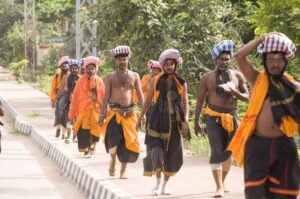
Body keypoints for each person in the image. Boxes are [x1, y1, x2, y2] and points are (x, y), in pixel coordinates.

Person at [228, 33, 300, 199]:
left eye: (279, 60)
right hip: (258, 144)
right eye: (271, 60)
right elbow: (239, 56)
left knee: (284, 193)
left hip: (284, 145)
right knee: (255, 193)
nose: (275, 64)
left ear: (286, 62)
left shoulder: (292, 86)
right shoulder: (256, 79)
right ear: (264, 62)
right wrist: (261, 39)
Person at [194, 40, 249, 198]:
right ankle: (218, 187)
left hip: (232, 118)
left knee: (228, 152)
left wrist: (235, 93)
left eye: (227, 59)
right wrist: (196, 121)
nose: (224, 62)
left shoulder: (237, 76)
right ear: (215, 60)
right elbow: (200, 100)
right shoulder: (207, 78)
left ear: (230, 59)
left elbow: (247, 97)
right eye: (221, 59)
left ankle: (222, 182)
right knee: (216, 150)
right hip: (213, 118)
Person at [137, 49, 189, 196]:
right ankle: (158, 183)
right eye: (166, 64)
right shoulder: (156, 80)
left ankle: (165, 184)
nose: (169, 66)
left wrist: (185, 121)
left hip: (174, 123)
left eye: (171, 63)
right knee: (156, 152)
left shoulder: (181, 82)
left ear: (175, 64)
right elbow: (147, 100)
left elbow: (185, 103)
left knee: (173, 156)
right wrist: (141, 116)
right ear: (163, 65)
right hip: (157, 121)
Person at [99, 45, 144, 179]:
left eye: (124, 59)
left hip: (130, 114)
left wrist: (143, 114)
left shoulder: (134, 76)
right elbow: (105, 97)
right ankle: (112, 160)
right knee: (112, 142)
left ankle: (123, 172)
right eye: (119, 60)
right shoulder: (109, 77)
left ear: (128, 59)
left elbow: (141, 96)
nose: (122, 62)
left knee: (127, 143)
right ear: (115, 61)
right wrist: (102, 114)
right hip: (114, 113)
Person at [68, 56, 105, 157]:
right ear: (85, 69)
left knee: (95, 130)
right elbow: (75, 96)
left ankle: (92, 146)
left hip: (96, 110)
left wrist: (104, 111)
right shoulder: (80, 81)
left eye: (92, 68)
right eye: (88, 69)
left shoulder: (100, 81)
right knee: (84, 130)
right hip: (83, 111)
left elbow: (103, 96)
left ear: (95, 69)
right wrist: (72, 112)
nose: (90, 70)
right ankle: (86, 149)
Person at [55, 59, 82, 143]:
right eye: (73, 68)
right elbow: (60, 90)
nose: (74, 70)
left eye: (76, 68)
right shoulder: (65, 77)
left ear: (78, 69)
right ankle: (66, 134)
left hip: (78, 101)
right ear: (70, 69)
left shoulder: (81, 78)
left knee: (77, 120)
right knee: (68, 118)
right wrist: (55, 99)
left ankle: (75, 137)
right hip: (68, 100)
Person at [50, 55, 69, 138]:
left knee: (66, 115)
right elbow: (53, 89)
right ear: (60, 66)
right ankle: (58, 129)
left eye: (67, 65)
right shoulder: (56, 76)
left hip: (68, 97)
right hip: (59, 96)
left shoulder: (71, 76)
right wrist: (53, 100)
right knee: (58, 113)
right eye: (63, 65)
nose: (65, 67)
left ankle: (64, 133)